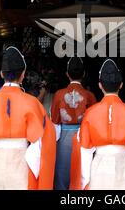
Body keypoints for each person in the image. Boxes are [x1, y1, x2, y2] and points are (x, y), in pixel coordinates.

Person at [0, 46, 56, 190]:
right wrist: (33, 164)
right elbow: (43, 140)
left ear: (1, 74)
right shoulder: (33, 103)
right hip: (21, 160)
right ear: (23, 74)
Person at [69, 59, 125, 190]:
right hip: (124, 167)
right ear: (121, 85)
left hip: (99, 168)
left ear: (100, 85)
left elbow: (84, 151)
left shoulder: (91, 112)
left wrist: (84, 181)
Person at [51, 57, 97, 190]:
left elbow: (54, 120)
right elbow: (93, 123)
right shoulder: (89, 95)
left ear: (67, 74)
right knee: (82, 175)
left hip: (63, 138)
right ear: (83, 74)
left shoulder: (59, 94)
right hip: (83, 138)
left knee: (62, 176)